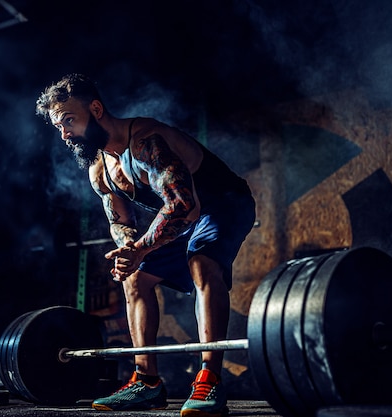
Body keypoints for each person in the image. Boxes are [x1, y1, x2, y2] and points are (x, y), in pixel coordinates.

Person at [36, 73, 255, 417]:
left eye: (69, 120)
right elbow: (120, 222)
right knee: (134, 278)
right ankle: (147, 382)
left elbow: (184, 205)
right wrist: (128, 250)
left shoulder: (146, 142)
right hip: (183, 215)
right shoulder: (99, 170)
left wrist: (140, 248)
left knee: (201, 262)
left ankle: (209, 377)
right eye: (58, 126)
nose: (64, 133)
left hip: (223, 203)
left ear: (95, 109)